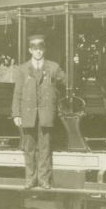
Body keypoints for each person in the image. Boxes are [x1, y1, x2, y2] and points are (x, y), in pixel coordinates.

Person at [12, 34, 66, 189]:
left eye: (40, 48)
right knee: (29, 149)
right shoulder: (22, 69)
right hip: (28, 115)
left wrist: (55, 97)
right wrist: (16, 114)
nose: (38, 52)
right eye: (35, 49)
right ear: (30, 50)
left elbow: (65, 83)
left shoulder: (53, 68)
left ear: (44, 49)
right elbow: (17, 93)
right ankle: (30, 179)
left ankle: (43, 180)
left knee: (45, 148)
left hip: (46, 115)